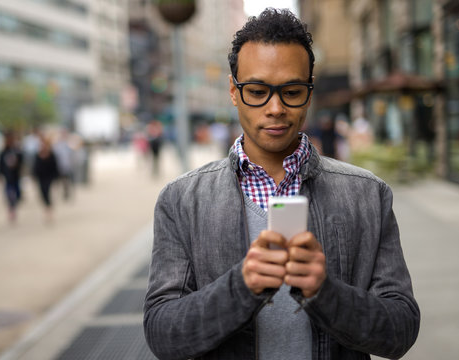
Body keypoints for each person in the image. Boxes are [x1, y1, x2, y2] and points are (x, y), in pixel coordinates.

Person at [143, 8, 419, 360]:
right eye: (257, 91)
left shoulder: (367, 195)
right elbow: (163, 335)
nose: (275, 108)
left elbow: (401, 330)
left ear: (309, 90)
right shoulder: (181, 200)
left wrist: (325, 292)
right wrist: (241, 287)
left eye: (291, 91)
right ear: (233, 90)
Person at [0, 132, 23, 224]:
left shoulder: (17, 151)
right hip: (8, 177)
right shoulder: (3, 152)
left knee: (18, 194)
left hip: (16, 176)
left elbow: (22, 162)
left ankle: (14, 205)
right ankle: (11, 208)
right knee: (8, 194)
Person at [32, 136, 60, 223]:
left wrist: (56, 177)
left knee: (47, 192)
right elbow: (35, 167)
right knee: (42, 194)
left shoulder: (51, 154)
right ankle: (47, 207)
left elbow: (55, 167)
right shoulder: (38, 155)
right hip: (41, 178)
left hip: (49, 177)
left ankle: (49, 209)